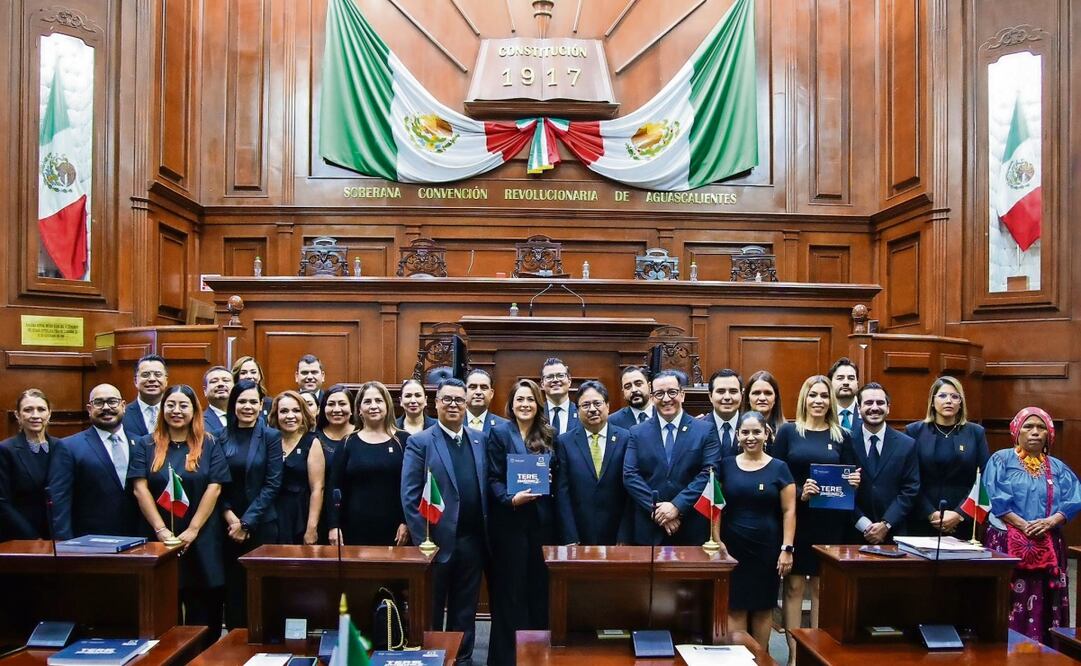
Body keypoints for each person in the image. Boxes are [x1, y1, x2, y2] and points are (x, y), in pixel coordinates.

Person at [401, 378, 488, 665]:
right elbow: (411, 495)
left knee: (465, 610)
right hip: (436, 543)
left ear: (467, 404)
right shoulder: (421, 441)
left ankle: (462, 659)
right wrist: (423, 541)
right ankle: (432, 659)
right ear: (435, 403)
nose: (453, 405)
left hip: (473, 541)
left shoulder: (480, 439)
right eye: (447, 399)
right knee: (432, 609)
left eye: (458, 400)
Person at [772, 375, 860, 661]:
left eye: (824, 396)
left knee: (822, 588)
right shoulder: (788, 432)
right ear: (804, 399)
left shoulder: (841, 435)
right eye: (813, 395)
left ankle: (818, 653)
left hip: (830, 521)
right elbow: (776, 474)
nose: (819, 401)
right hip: (797, 519)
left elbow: (850, 474)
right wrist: (800, 490)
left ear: (830, 401)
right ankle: (795, 654)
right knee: (795, 586)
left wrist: (854, 480)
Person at [129, 385, 230, 630]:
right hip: (159, 537)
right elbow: (140, 489)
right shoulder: (145, 444)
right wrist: (162, 530)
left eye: (183, 405)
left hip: (201, 537)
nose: (176, 411)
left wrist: (193, 531)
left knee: (204, 617)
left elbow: (214, 487)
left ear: (194, 410)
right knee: (163, 612)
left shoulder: (210, 443)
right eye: (170, 405)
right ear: (162, 409)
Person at [982, 407, 1081, 644]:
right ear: (1016, 432)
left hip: (1048, 540)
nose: (1035, 432)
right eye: (1028, 426)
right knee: (1007, 600)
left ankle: (1047, 649)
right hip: (1007, 541)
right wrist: (1022, 525)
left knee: (1046, 600)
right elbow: (995, 495)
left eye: (1041, 427)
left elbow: (1074, 498)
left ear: (1049, 434)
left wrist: (1051, 521)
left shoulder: (1057, 467)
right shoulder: (1001, 459)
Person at [487, 379, 559, 665]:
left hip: (542, 525)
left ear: (538, 403)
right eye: (520, 399)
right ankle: (506, 658)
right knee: (509, 592)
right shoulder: (499, 433)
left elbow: (558, 476)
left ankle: (537, 657)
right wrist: (509, 499)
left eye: (530, 399)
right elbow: (492, 478)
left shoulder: (549, 434)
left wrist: (550, 480)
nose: (525, 404)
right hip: (510, 524)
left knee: (538, 591)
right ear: (511, 404)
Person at [718, 410, 796, 652]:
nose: (750, 437)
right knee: (735, 606)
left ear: (766, 434)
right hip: (732, 548)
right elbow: (715, 507)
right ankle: (740, 658)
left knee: (763, 608)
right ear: (738, 436)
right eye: (745, 432)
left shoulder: (780, 468)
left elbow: (789, 511)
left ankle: (761, 658)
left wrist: (787, 549)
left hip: (767, 549)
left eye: (756, 432)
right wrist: (717, 540)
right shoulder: (726, 466)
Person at [623, 370, 721, 545]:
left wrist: (677, 506)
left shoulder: (705, 430)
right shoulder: (637, 432)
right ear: (652, 398)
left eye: (672, 392)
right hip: (650, 528)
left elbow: (709, 473)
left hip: (691, 526)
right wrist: (659, 511)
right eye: (659, 393)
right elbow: (630, 475)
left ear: (682, 395)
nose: (666, 399)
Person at [219, 380, 283, 629]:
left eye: (253, 401)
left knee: (263, 591)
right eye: (242, 401)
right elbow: (214, 482)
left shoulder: (271, 436)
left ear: (261, 405)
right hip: (227, 528)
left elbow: (273, 483)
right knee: (235, 592)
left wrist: (246, 522)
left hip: (262, 526)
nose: (247, 406)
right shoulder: (219, 437)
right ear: (233, 404)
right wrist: (231, 519)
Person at [48, 384, 140, 539]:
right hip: (90, 542)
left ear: (123, 406)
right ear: (89, 409)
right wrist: (64, 545)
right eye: (99, 403)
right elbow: (59, 500)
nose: (106, 407)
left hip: (139, 539)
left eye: (112, 401)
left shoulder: (141, 444)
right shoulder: (68, 447)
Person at [905, 376, 990, 537]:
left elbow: (984, 478)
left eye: (955, 396)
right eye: (943, 396)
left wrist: (959, 514)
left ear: (961, 403)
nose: (949, 401)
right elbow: (909, 477)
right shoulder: (914, 431)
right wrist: (930, 513)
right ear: (932, 401)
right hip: (921, 518)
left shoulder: (975, 432)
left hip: (962, 521)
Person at [327, 382, 408, 546]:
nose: (373, 406)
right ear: (359, 409)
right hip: (354, 527)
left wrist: (405, 522)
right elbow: (334, 487)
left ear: (387, 405)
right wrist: (333, 525)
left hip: (395, 529)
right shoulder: (348, 442)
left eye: (378, 400)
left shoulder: (404, 440)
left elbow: (412, 486)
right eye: (367, 402)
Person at [555, 380, 632, 545]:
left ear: (608, 406)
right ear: (577, 410)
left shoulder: (626, 438)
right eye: (585, 405)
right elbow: (563, 492)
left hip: (617, 533)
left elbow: (630, 492)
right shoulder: (564, 442)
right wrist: (570, 537)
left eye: (597, 403)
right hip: (579, 533)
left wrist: (624, 536)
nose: (592, 409)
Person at [851, 383, 919, 543]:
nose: (874, 408)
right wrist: (865, 525)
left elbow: (910, 490)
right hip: (853, 534)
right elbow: (841, 491)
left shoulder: (907, 444)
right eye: (868, 403)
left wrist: (886, 524)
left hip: (894, 534)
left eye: (880, 403)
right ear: (859, 409)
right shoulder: (845, 442)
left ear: (888, 408)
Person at [0, 389, 60, 540]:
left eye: (41, 409)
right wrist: (32, 538)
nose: (35, 415)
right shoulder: (6, 450)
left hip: (58, 536)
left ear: (49, 414)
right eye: (28, 410)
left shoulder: (61, 447)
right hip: (20, 537)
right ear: (18, 415)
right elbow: (2, 502)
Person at [269, 391, 325, 545]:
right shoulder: (269, 440)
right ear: (276, 415)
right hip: (271, 513)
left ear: (303, 413)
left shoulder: (311, 442)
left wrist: (311, 528)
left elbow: (317, 488)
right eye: (284, 411)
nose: (290, 416)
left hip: (300, 514)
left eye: (296, 410)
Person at [122, 354, 169, 438]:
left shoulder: (175, 413)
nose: (152, 379)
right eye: (145, 375)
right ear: (135, 381)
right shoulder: (122, 414)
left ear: (166, 381)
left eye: (157, 374)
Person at [740, 370, 785, 452]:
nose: (762, 398)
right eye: (756, 393)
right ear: (747, 398)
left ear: (775, 398)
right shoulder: (737, 428)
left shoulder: (786, 431)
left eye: (768, 393)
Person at [315, 384, 355, 469]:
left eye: (342, 404)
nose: (336, 409)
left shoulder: (362, 434)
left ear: (352, 408)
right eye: (331, 404)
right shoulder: (315, 437)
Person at [707, 369, 743, 458]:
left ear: (741, 395)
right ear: (710, 396)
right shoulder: (697, 428)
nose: (727, 397)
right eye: (721, 391)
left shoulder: (753, 427)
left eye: (733, 391)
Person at [464, 369, 510, 434]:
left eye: (483, 387)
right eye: (473, 387)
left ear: (491, 394)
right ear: (465, 392)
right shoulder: (453, 422)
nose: (478, 392)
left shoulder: (505, 427)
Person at [541, 357, 577, 436]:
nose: (555, 380)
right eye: (549, 377)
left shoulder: (581, 412)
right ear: (542, 384)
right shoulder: (536, 413)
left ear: (569, 381)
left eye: (560, 375)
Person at [827, 357, 860, 431]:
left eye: (851, 378)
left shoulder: (866, 410)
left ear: (857, 383)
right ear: (830, 383)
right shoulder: (823, 412)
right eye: (840, 378)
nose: (846, 382)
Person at [202, 366, 233, 439]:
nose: (221, 384)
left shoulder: (245, 416)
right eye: (214, 381)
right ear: (205, 391)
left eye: (226, 380)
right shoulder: (199, 422)